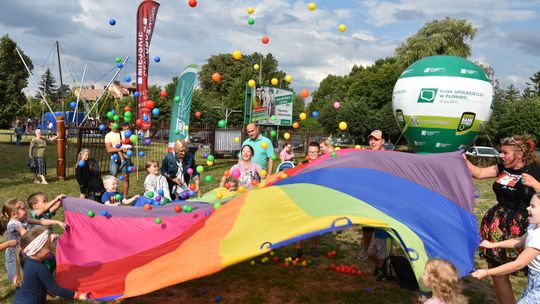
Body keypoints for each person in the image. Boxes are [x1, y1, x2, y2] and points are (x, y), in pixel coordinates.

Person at [464, 135, 540, 304]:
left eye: (505, 152)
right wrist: (461, 157)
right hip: (498, 226)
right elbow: (479, 172)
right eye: (501, 152)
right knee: (498, 273)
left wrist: (537, 185)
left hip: (525, 227)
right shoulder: (503, 167)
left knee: (531, 271)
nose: (501, 156)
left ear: (519, 154)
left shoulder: (535, 170)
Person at [472, 193, 540, 303]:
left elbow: (518, 264)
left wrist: (487, 272)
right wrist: (493, 245)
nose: (527, 208)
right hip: (533, 280)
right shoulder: (534, 227)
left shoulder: (538, 238)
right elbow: (519, 241)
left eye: (533, 206)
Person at [12, 227, 88, 303]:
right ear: (37, 250)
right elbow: (56, 289)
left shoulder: (25, 262)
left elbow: (33, 284)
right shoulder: (40, 268)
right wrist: (78, 295)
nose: (50, 248)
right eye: (48, 247)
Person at [1, 198, 66, 283]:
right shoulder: (13, 224)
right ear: (14, 214)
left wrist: (57, 222)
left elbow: (41, 222)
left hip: (24, 251)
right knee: (16, 278)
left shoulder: (23, 219)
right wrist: (47, 237)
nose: (26, 210)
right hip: (14, 256)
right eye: (23, 209)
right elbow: (27, 236)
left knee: (27, 272)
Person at [358, 130, 386, 261]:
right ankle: (367, 249)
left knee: (381, 228)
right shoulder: (366, 155)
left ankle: (381, 255)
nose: (373, 142)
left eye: (376, 139)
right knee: (367, 227)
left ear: (383, 141)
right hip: (368, 195)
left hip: (382, 196)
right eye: (371, 139)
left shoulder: (389, 156)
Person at [294, 142, 321, 259]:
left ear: (319, 152)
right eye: (310, 152)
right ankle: (298, 248)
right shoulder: (302, 165)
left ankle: (313, 247)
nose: (313, 154)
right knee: (301, 223)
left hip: (316, 198)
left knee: (315, 224)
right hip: (303, 197)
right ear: (307, 152)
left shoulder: (323, 164)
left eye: (315, 152)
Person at [104, 121, 131, 196]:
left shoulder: (123, 133)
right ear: (109, 126)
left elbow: (130, 144)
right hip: (115, 158)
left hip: (125, 157)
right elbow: (109, 149)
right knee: (112, 177)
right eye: (112, 126)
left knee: (125, 177)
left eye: (116, 125)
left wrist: (128, 147)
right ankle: (111, 195)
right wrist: (120, 149)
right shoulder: (108, 135)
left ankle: (124, 196)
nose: (115, 127)